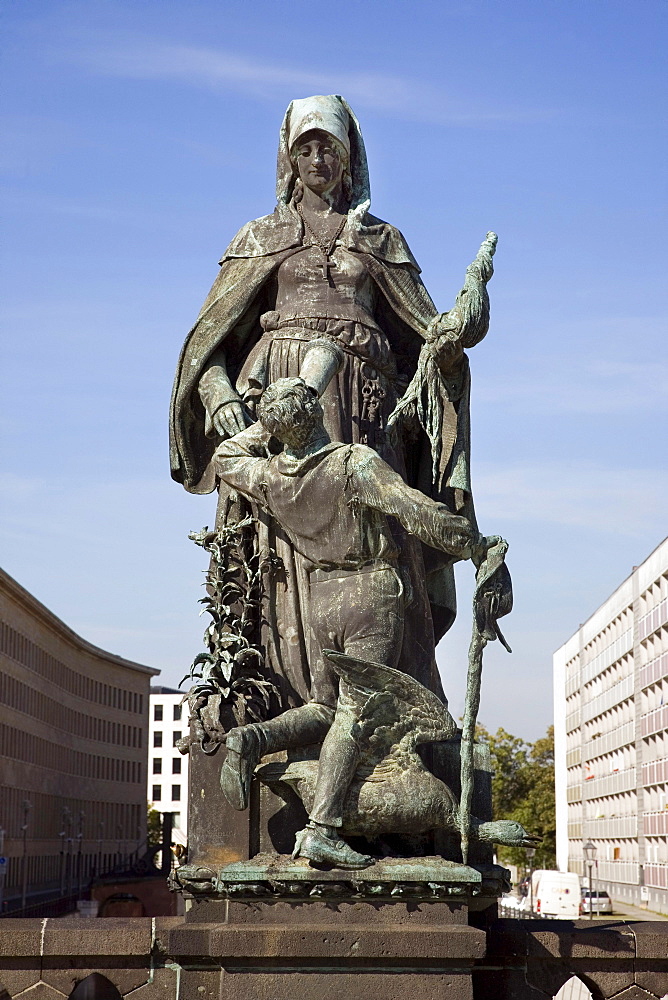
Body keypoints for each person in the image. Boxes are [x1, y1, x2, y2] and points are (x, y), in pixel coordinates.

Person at [170, 94, 495, 711]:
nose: (318, 157)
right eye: (306, 146)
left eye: (330, 147)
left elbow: (427, 336)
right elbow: (205, 346)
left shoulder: (380, 239)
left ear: (349, 160)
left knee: (375, 545)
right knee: (278, 565)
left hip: (366, 410)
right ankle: (284, 709)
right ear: (290, 159)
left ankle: (382, 709)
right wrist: (220, 401)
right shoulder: (259, 238)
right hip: (279, 407)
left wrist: (454, 338)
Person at [212, 375, 494, 867]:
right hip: (369, 591)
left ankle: (252, 738)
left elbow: (224, 456)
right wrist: (475, 545)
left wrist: (267, 429)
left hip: (320, 598)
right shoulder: (352, 462)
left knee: (325, 707)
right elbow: (414, 510)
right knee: (356, 711)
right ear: (318, 410)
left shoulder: (270, 475)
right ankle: (322, 828)